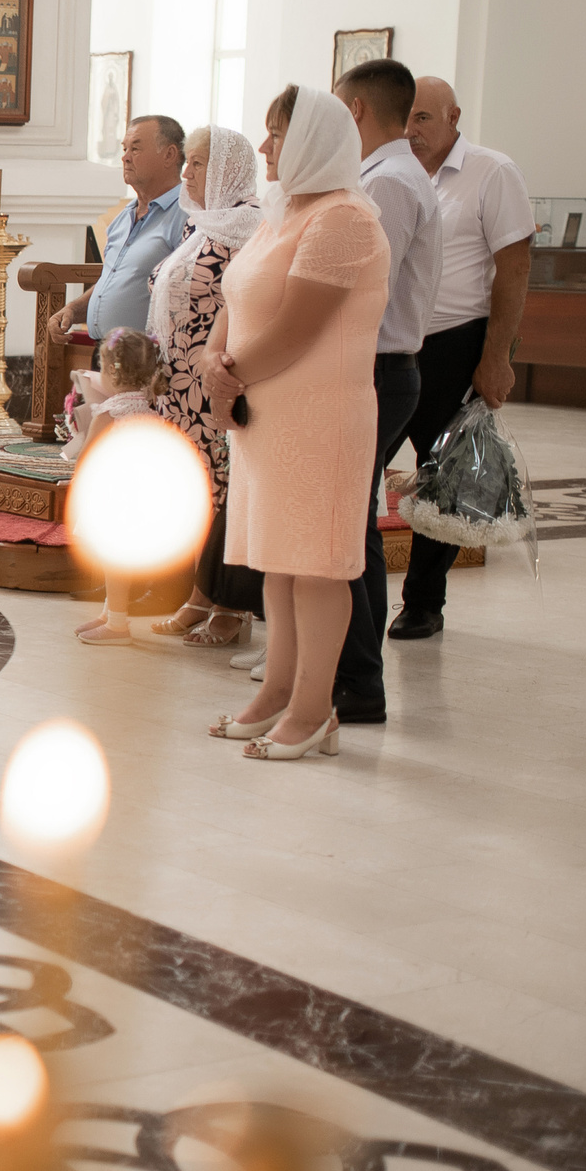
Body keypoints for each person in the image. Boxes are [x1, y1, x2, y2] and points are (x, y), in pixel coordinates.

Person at [201, 85, 392, 762]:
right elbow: (236, 299)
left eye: (277, 133)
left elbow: (296, 329)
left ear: (313, 140)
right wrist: (213, 359)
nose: (264, 147)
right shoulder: (284, 212)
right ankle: (275, 693)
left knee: (317, 566)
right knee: (278, 562)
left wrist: (227, 377)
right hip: (267, 414)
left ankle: (315, 711)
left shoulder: (345, 221)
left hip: (319, 419)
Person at [391, 76, 533, 641]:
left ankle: (424, 603)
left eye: (423, 118)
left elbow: (515, 268)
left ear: (453, 117)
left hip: (455, 342)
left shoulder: (491, 172)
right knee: (365, 462)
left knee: (444, 474)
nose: (411, 129)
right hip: (394, 341)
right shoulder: (393, 172)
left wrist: (497, 356)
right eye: (406, 117)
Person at [329, 58, 439, 723]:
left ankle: (359, 680)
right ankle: (349, 673)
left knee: (347, 525)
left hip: (377, 366)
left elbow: (369, 289)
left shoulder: (390, 182)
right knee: (352, 521)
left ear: (356, 110)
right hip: (376, 365)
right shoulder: (386, 175)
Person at [145, 125, 266, 647]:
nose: (186, 172)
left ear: (226, 169)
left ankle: (231, 605)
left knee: (223, 493)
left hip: (217, 382)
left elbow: (249, 306)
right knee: (197, 493)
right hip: (179, 388)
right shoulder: (202, 224)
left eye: (198, 163)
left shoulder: (250, 225)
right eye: (188, 162)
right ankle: (199, 594)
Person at [66, 327, 167, 645]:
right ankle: (110, 613)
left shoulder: (109, 413)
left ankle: (118, 626)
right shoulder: (151, 413)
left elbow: (87, 457)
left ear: (110, 371)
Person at [51, 116, 189, 341]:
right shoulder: (123, 217)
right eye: (125, 149)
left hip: (146, 355)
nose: (125, 157)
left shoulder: (186, 215)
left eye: (135, 148)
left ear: (169, 155)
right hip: (104, 350)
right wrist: (74, 310)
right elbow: (113, 280)